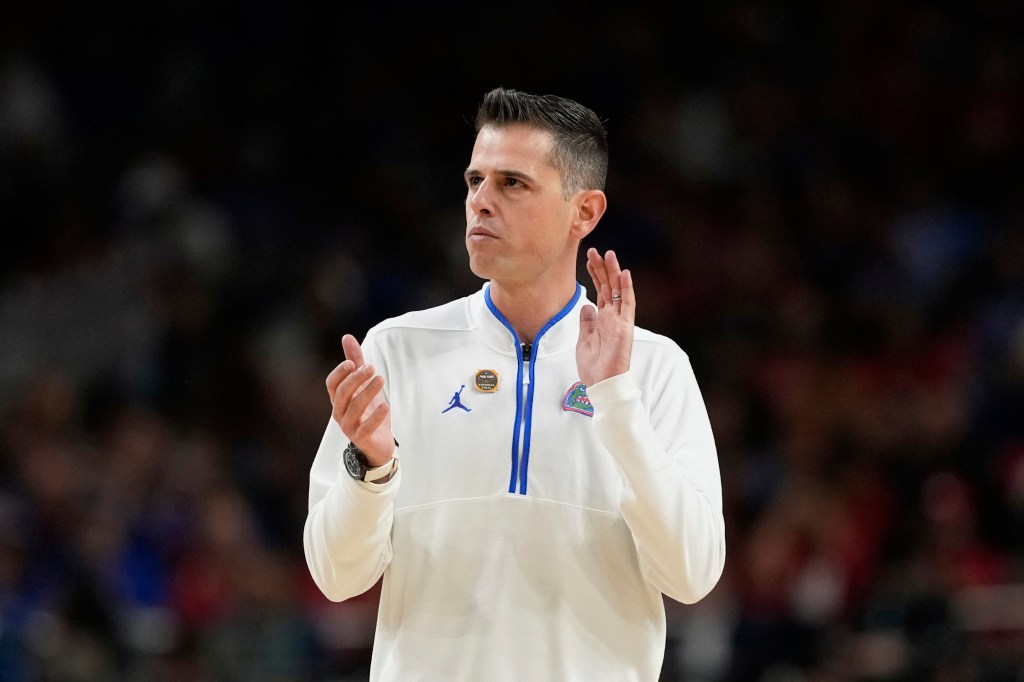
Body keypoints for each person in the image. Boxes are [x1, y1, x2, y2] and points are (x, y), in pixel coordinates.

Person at [303, 87, 725, 681]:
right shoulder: (395, 350)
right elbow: (336, 576)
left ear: (585, 211)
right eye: (475, 181)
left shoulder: (654, 367)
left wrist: (617, 403)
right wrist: (370, 470)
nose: (480, 202)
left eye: (513, 184)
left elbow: (692, 575)